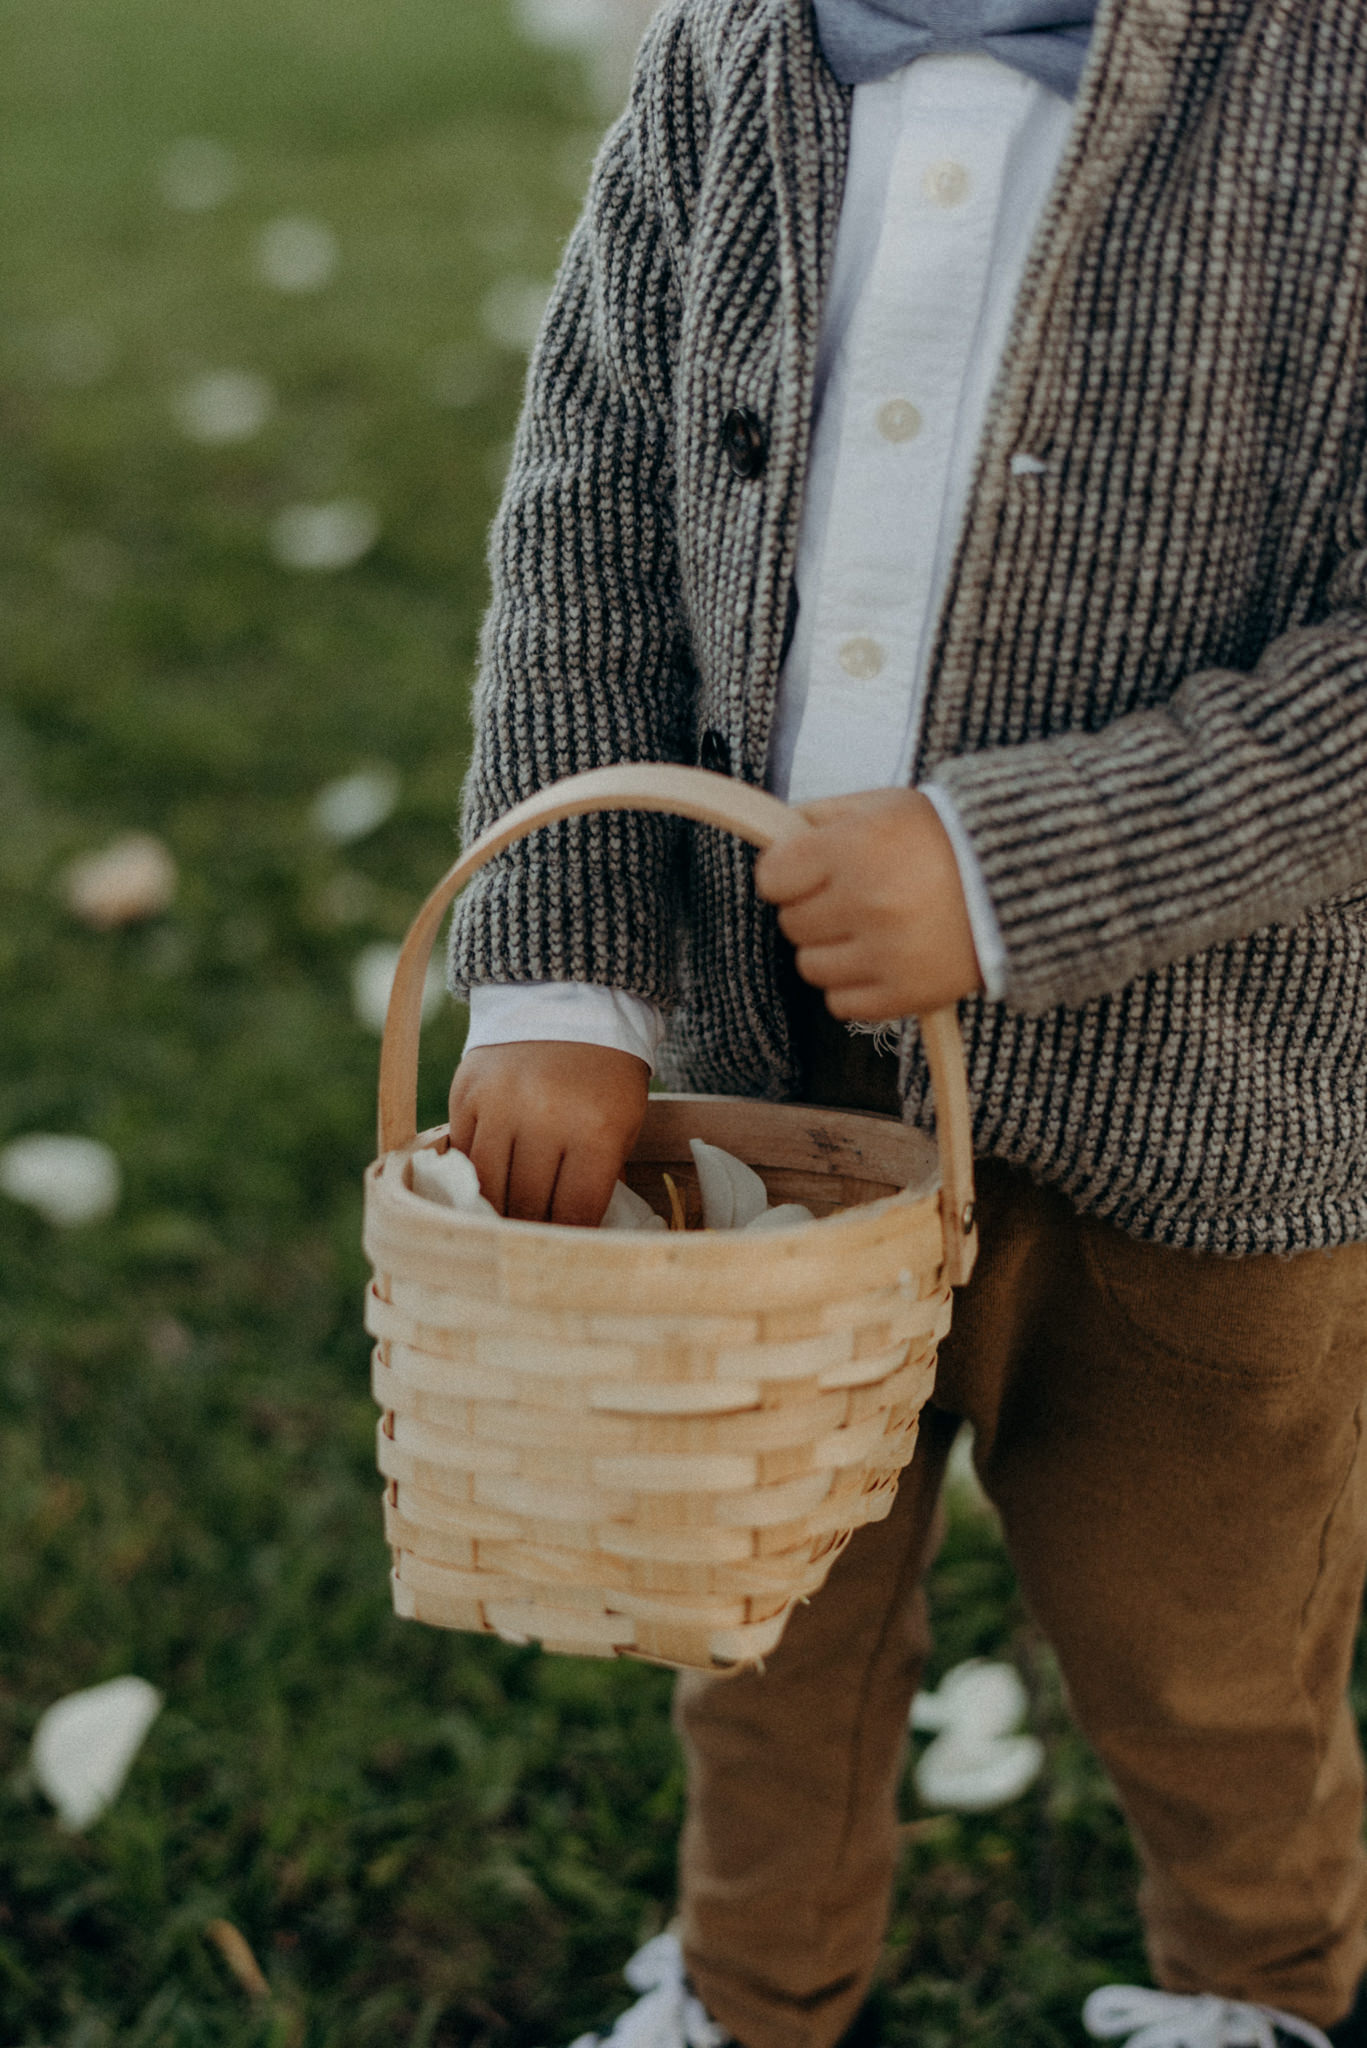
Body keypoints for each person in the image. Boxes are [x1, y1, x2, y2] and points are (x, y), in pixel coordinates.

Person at [444, 2, 1367, 2045]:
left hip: (1211, 1105)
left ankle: (1266, 1990)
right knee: (764, 1612)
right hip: (782, 1098)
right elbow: (586, 512)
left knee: (1212, 1643)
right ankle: (755, 1987)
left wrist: (1016, 859)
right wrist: (571, 967)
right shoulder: (725, 73)